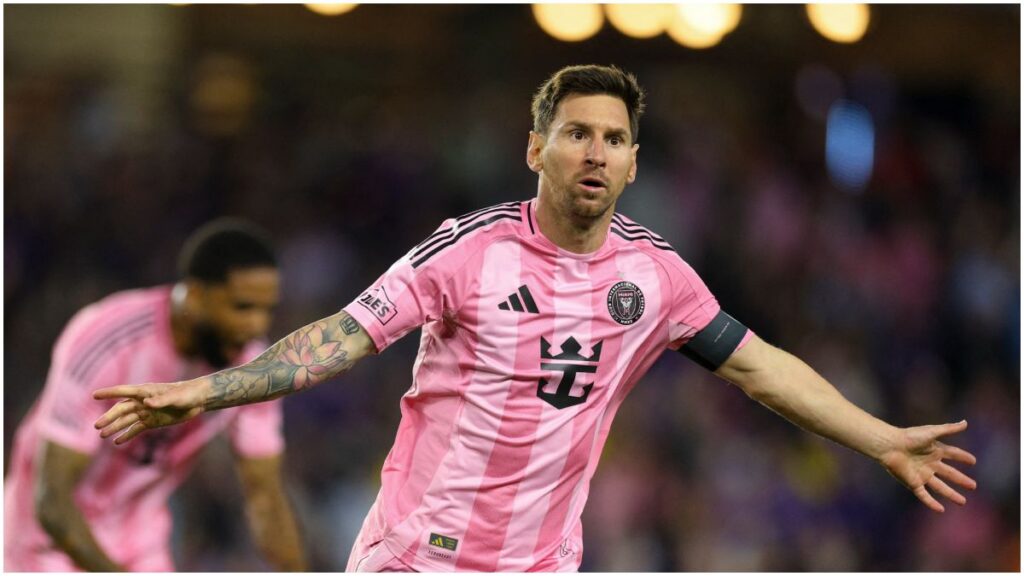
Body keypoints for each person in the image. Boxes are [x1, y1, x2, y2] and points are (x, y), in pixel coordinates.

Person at [92, 65, 976, 572]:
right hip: (419, 558)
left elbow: (759, 366)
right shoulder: (467, 250)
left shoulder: (656, 277)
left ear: (634, 163)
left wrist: (882, 439)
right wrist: (202, 393)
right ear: (535, 148)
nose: (596, 151)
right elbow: (334, 342)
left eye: (616, 139)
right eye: (578, 133)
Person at [5, 218, 307, 571]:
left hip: (139, 544)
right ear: (195, 296)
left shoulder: (251, 365)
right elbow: (52, 501)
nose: (256, 326)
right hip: (45, 546)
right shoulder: (107, 339)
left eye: (266, 310)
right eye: (242, 307)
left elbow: (265, 497)